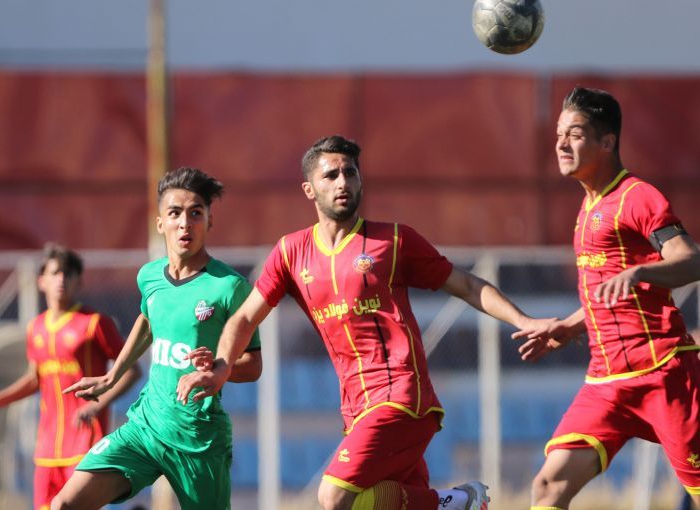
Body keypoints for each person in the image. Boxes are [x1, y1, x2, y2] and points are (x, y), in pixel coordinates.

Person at [180, 135, 550, 510]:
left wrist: (523, 320)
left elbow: (467, 285)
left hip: (401, 396)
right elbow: (245, 316)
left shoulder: (394, 240)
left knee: (334, 496)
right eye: (331, 175)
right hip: (355, 407)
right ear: (309, 189)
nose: (343, 182)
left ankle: (456, 500)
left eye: (350, 173)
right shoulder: (291, 253)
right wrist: (222, 367)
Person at [512, 86, 700, 510]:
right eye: (559, 134)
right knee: (549, 485)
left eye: (575, 134)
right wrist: (570, 324)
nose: (561, 144)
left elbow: (691, 260)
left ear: (607, 142)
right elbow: (611, 293)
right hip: (606, 381)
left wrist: (641, 272)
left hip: (661, 372)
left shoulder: (637, 196)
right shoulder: (588, 207)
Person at [51, 167, 262, 510]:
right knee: (65, 503)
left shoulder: (229, 287)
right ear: (160, 223)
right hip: (145, 427)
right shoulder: (149, 276)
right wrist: (112, 375)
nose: (185, 223)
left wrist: (217, 369)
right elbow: (149, 322)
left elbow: (253, 365)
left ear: (210, 221)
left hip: (198, 438)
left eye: (196, 213)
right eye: (175, 213)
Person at [0, 243, 141, 510]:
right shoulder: (36, 328)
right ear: (41, 281)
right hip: (47, 447)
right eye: (55, 273)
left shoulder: (94, 323)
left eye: (69, 273)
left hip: (84, 442)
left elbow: (133, 371)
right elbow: (35, 380)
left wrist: (97, 404)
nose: (61, 279)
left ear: (79, 281)